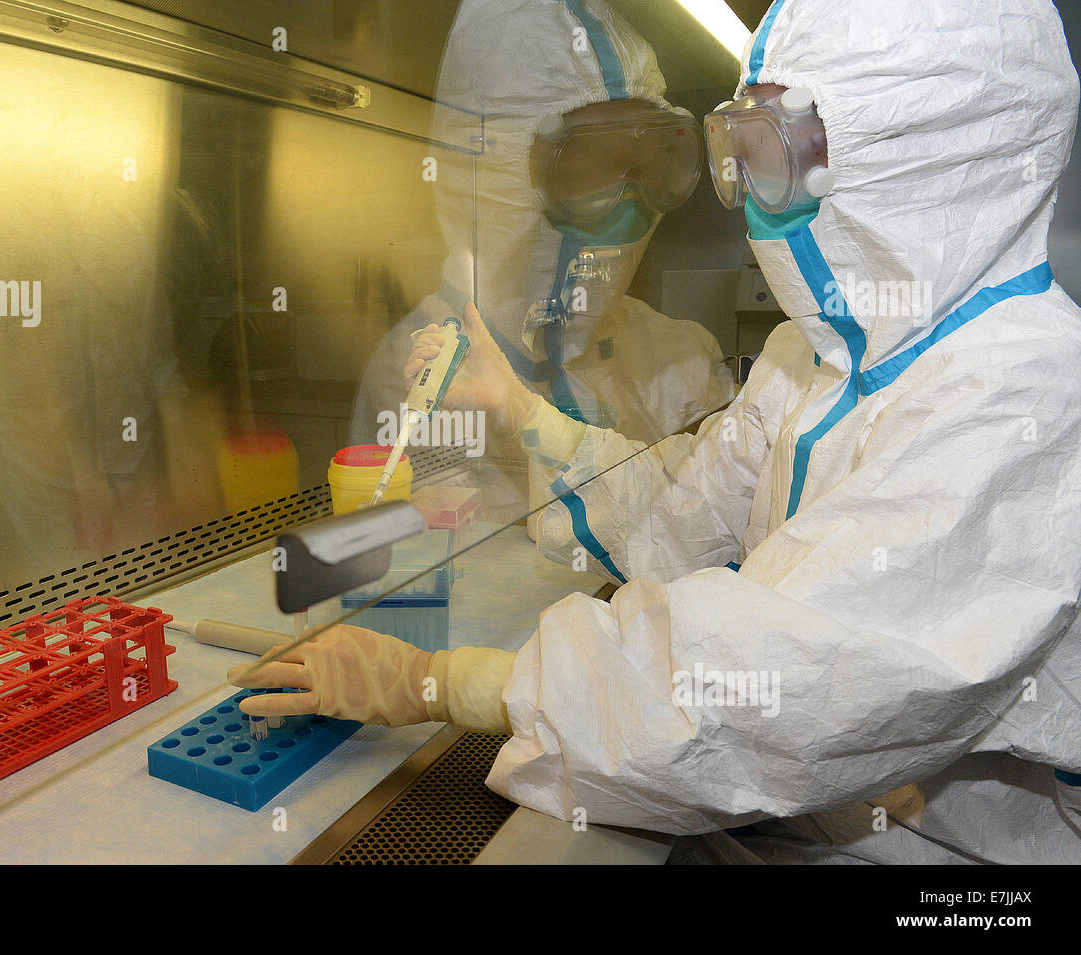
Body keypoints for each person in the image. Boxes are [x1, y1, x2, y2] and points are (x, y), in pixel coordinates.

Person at [233, 0, 1081, 864]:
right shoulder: (815, 361)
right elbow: (682, 516)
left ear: (925, 153)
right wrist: (527, 414)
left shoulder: (1027, 399)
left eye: (773, 157)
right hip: (822, 821)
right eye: (733, 156)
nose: (748, 206)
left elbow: (765, 692)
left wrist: (447, 680)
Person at [349, 0, 734, 493]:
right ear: (493, 173)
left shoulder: (678, 360)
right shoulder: (413, 376)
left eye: (646, 164)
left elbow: (710, 533)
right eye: (590, 164)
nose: (628, 204)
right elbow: (415, 552)